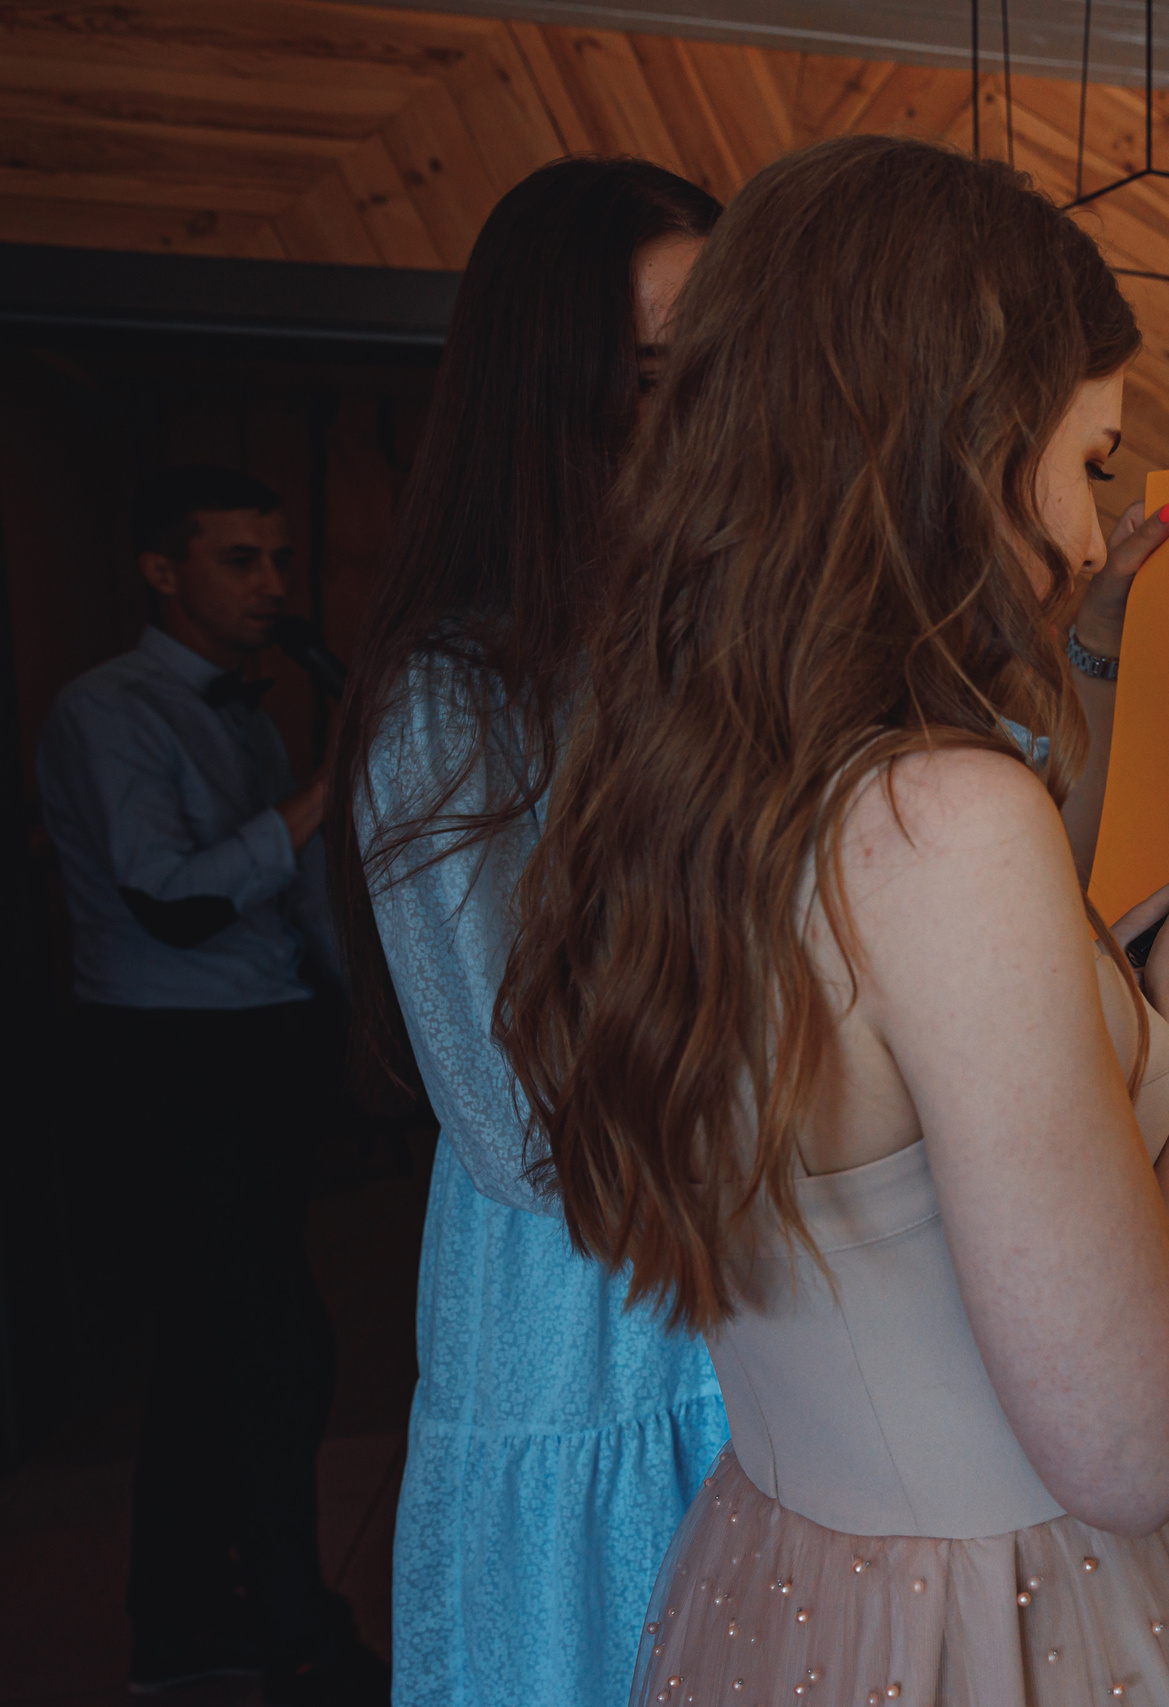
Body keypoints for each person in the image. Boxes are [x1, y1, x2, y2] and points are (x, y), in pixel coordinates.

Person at [495, 136, 1169, 1706]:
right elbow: (1134, 1446)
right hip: (1000, 1617)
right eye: (1089, 463)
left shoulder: (659, 769)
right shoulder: (940, 823)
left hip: (789, 1575)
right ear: (955, 445)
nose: (1086, 536)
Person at [330, 158, 730, 1707]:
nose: (695, 412)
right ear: (551, 389)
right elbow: (527, 1130)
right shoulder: (455, 698)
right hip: (585, 1330)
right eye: (648, 372)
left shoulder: (721, 647)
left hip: (763, 1304)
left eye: (717, 367)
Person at [36, 465, 383, 1702]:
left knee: (221, 1352)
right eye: (240, 560)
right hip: (171, 1061)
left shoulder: (249, 709)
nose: (273, 586)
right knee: (267, 1347)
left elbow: (289, 899)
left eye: (280, 560)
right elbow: (169, 897)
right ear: (161, 570)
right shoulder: (106, 708)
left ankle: (188, 1619)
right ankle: (289, 1616)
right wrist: (322, 792)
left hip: (259, 1045)